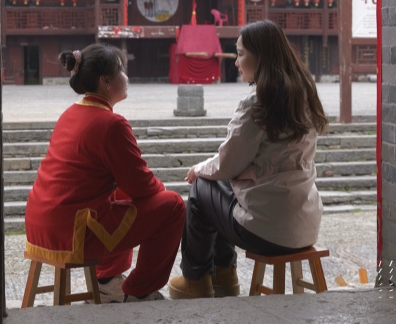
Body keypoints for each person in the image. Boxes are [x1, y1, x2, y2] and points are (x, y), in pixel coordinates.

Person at [168, 20, 328, 299]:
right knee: (220, 186)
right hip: (305, 224)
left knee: (202, 187)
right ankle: (224, 276)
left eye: (241, 54)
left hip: (266, 230)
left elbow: (228, 164)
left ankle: (197, 279)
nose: (236, 62)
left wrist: (198, 169)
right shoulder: (303, 94)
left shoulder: (258, 102)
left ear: (261, 57)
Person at [24, 43, 185, 303]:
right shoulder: (111, 123)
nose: (126, 77)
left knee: (120, 194)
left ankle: (107, 281)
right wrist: (161, 191)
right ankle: (139, 291)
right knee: (173, 205)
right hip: (75, 232)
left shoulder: (71, 113)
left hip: (42, 221)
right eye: (122, 70)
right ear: (106, 81)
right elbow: (141, 184)